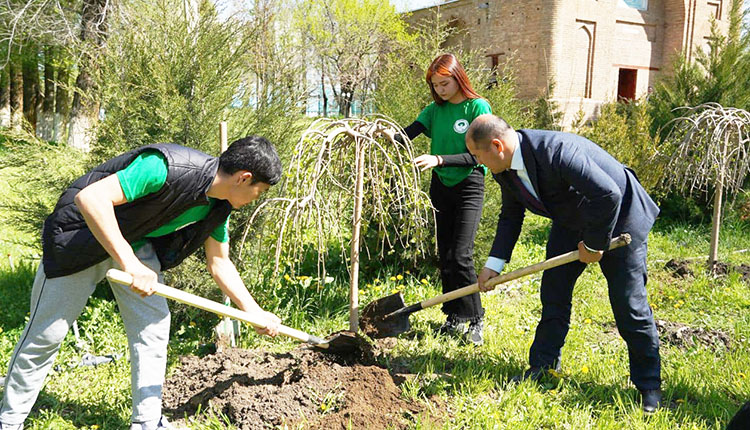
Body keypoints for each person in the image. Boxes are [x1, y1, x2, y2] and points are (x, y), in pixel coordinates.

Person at [0, 136, 283, 430]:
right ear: (243, 178)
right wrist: (131, 264)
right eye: (259, 191)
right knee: (46, 335)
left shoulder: (220, 205)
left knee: (153, 329)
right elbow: (90, 199)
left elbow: (219, 262)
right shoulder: (166, 166)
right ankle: (9, 421)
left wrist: (253, 311)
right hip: (79, 238)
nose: (256, 198)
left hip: (135, 244)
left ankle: (147, 422)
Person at [465, 114, 662, 413]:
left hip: (622, 219)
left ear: (496, 145)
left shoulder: (555, 151)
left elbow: (609, 194)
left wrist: (595, 245)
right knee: (554, 294)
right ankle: (543, 367)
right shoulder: (504, 169)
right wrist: (495, 264)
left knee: (629, 304)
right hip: (571, 221)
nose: (479, 162)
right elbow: (510, 216)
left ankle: (649, 386)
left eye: (478, 155)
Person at [386, 53, 491, 345]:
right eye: (435, 85)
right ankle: (455, 316)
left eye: (445, 83)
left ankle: (475, 319)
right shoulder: (434, 110)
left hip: (469, 183)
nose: (441, 90)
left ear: (458, 78)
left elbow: (478, 154)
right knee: (445, 254)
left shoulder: (477, 107)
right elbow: (407, 135)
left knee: (461, 254)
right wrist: (384, 135)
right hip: (440, 185)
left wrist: (439, 158)